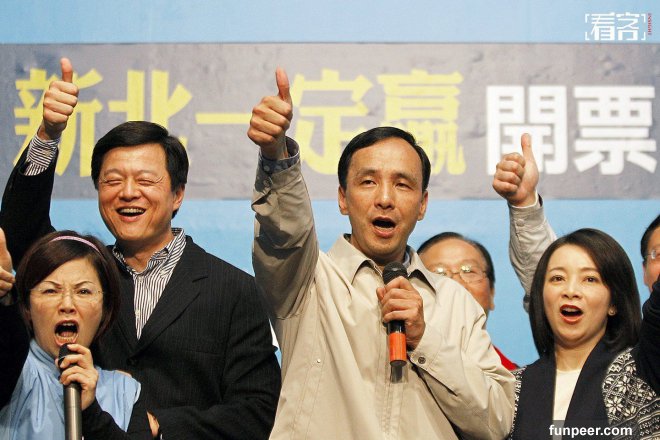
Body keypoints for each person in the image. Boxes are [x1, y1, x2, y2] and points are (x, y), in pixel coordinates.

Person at [0, 58, 280, 439]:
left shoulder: (233, 289)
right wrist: (48, 135)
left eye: (145, 180)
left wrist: (159, 427)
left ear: (177, 194)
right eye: (112, 180)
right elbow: (21, 233)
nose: (128, 192)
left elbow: (258, 411)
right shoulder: (84, 275)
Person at [248, 68, 514, 439]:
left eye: (402, 185)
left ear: (422, 204)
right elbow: (284, 230)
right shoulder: (306, 281)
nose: (385, 198)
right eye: (368, 181)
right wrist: (277, 158)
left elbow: (498, 421)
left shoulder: (457, 303)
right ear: (343, 198)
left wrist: (425, 339)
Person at [0, 229, 152, 439]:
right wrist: (4, 299)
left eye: (83, 291)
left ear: (105, 308)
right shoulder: (15, 372)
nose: (67, 304)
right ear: (27, 306)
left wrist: (92, 415)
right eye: (50, 291)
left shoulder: (124, 391)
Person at [508, 228, 659, 439]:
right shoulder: (511, 387)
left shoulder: (643, 369)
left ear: (614, 303)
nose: (570, 291)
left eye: (590, 279)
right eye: (557, 278)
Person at [418, 232, 518, 370]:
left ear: (492, 292)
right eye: (439, 273)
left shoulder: (518, 378)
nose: (457, 285)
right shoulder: (395, 370)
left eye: (469, 271)